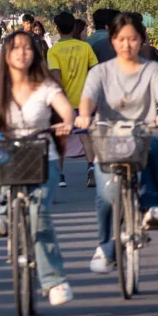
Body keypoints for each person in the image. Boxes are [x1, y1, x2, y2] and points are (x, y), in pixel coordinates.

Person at [0, 30, 75, 307]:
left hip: (43, 154)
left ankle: (53, 280)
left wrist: (67, 122)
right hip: (9, 153)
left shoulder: (46, 86)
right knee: (5, 174)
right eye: (15, 48)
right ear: (6, 54)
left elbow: (66, 111)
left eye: (27, 48)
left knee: (39, 214)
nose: (22, 52)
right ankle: (2, 212)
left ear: (35, 53)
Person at [76, 13, 158, 274]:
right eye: (121, 39)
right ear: (112, 41)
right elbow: (87, 98)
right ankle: (105, 245)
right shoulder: (101, 71)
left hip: (144, 134)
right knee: (104, 197)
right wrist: (84, 115)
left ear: (142, 40)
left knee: (155, 145)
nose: (127, 44)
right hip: (109, 138)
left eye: (132, 39)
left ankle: (152, 206)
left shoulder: (151, 69)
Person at [47, 12, 99, 189]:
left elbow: (56, 77)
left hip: (64, 102)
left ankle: (60, 176)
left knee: (61, 138)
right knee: (85, 137)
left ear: (57, 29)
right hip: (85, 100)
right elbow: (95, 71)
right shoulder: (85, 48)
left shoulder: (54, 51)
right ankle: (91, 167)